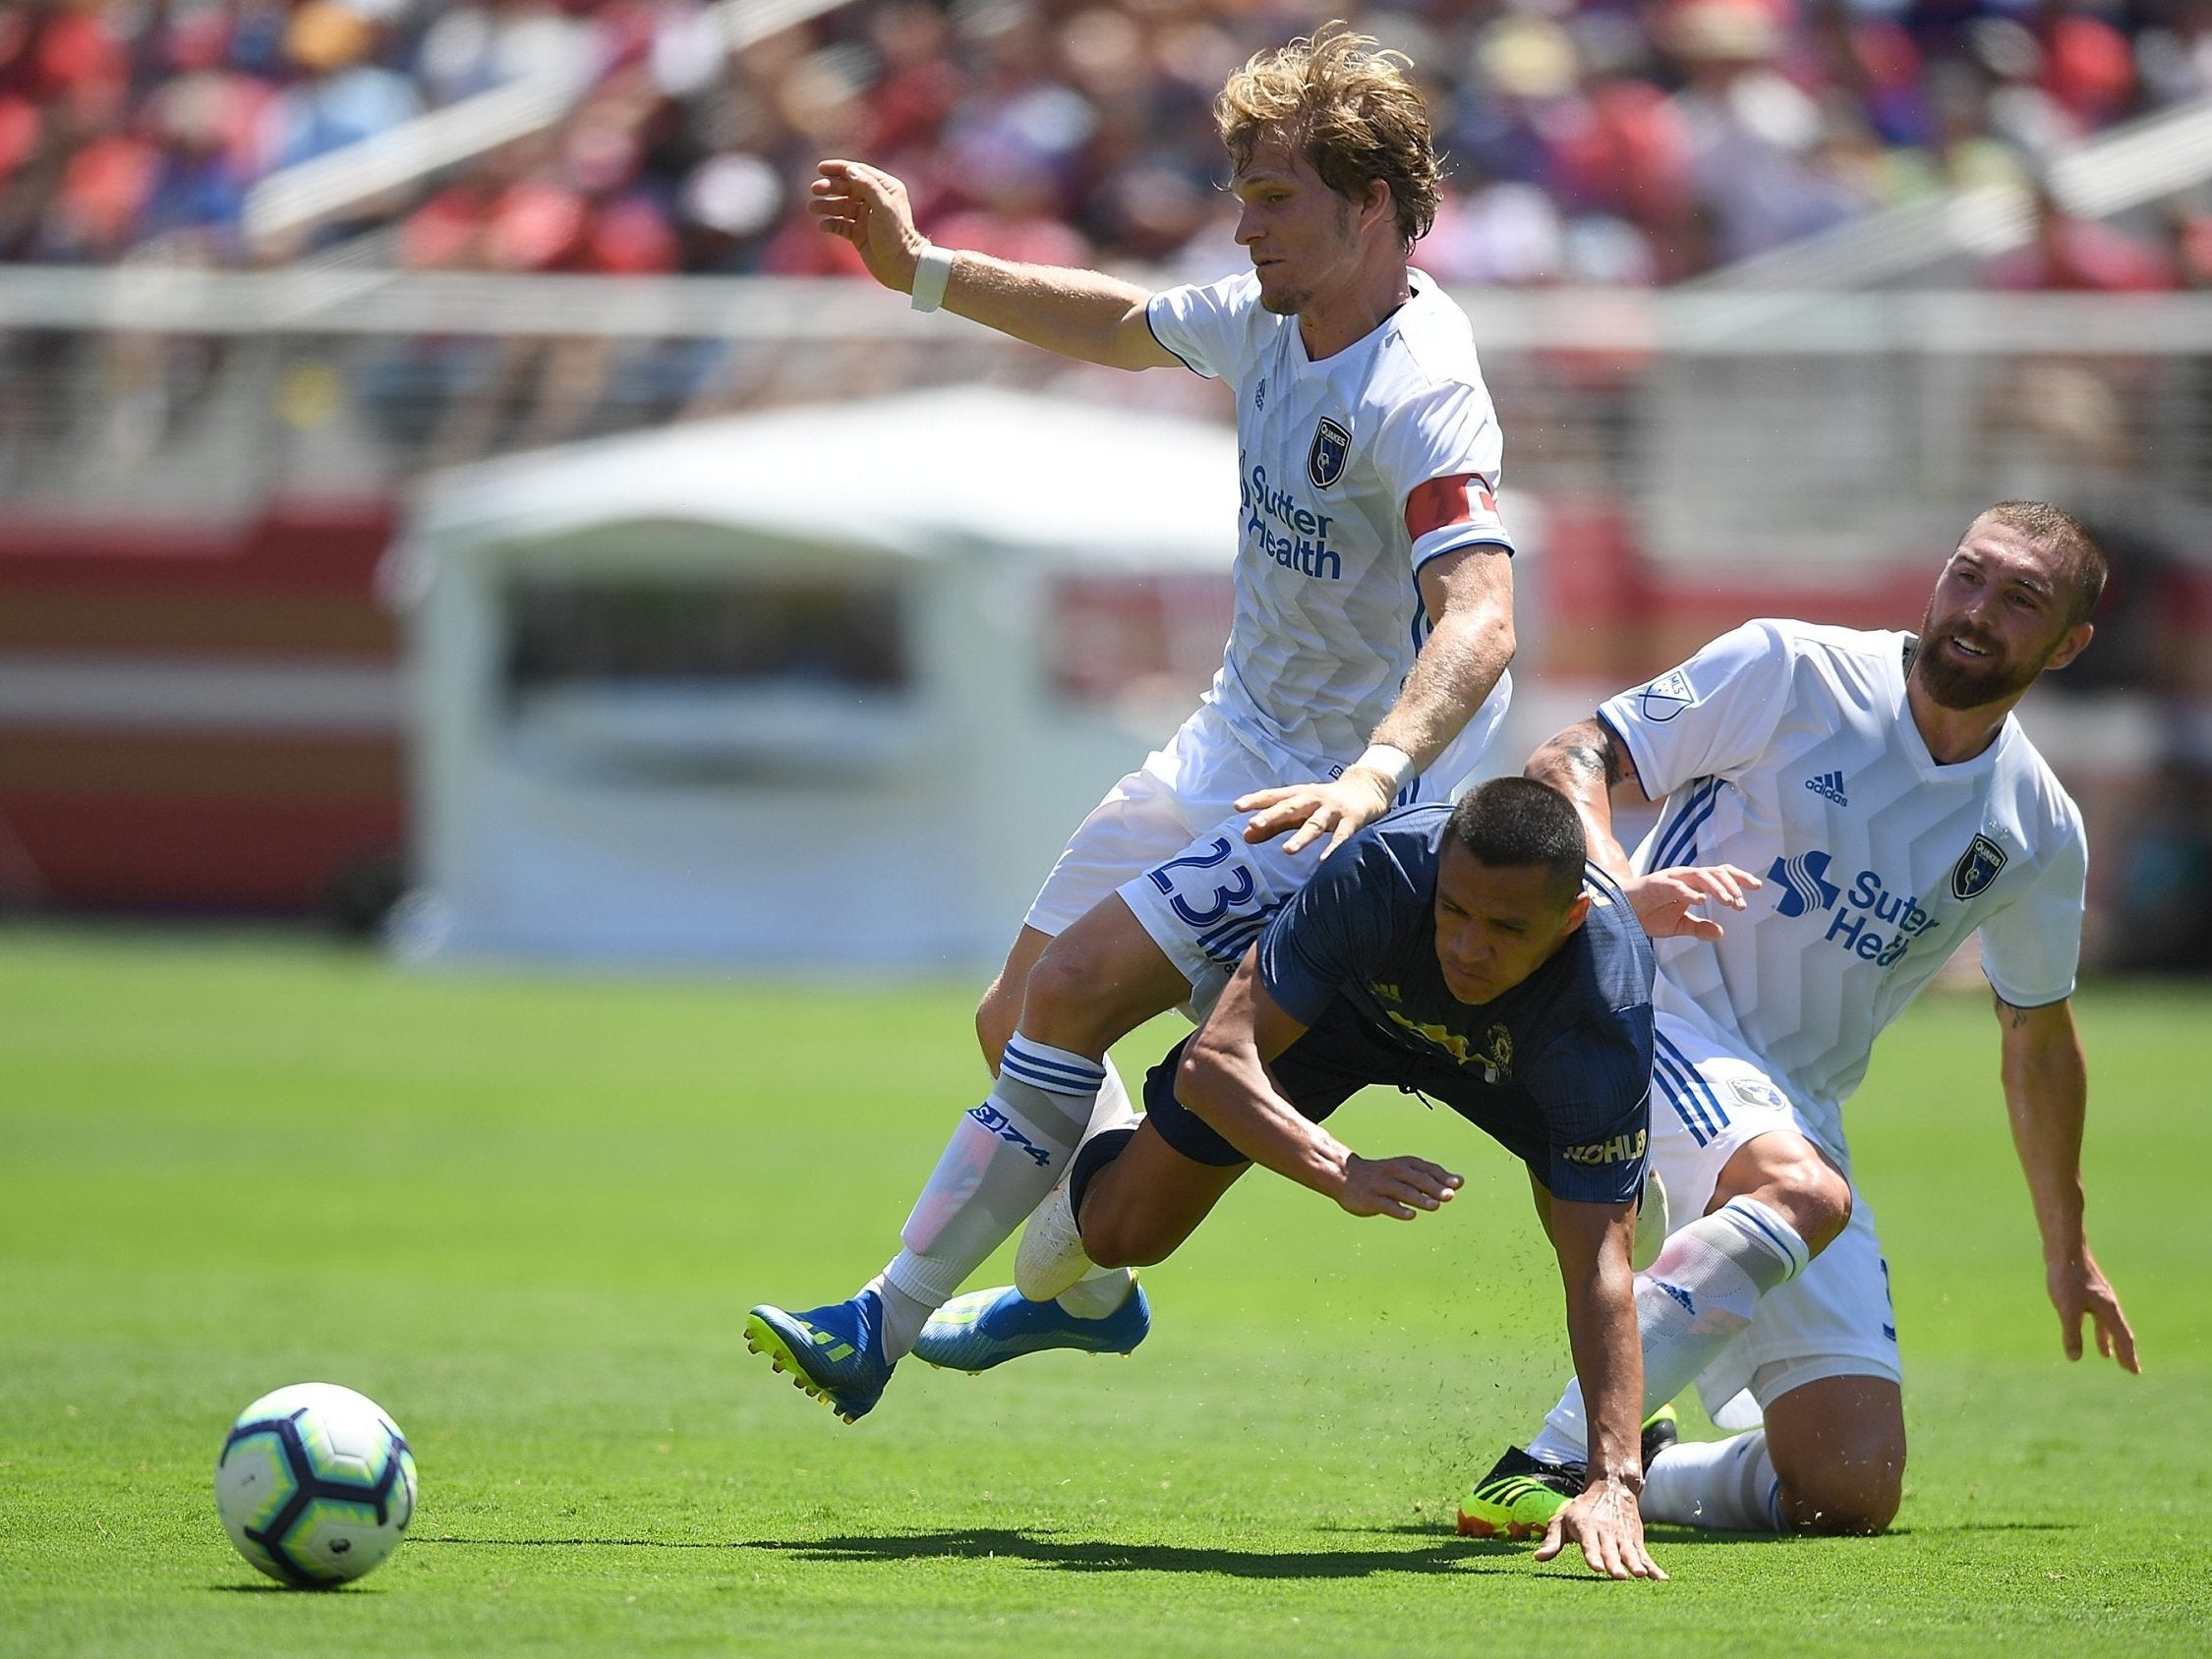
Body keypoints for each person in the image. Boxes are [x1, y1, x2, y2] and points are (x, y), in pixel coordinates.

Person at [746, 26, 1526, 1420]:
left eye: (1274, 198)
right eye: (1242, 195)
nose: (1244, 225)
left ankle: (885, 1318)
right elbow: (1109, 323)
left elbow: (1481, 616)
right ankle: (1084, 1286)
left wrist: (1378, 771)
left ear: (1372, 211)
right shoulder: (1269, 316)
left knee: (1069, 994)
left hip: (1337, 798)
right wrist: (920, 270)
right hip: (1234, 738)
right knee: (1014, 1020)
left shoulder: (1419, 388)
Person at [1455, 500, 2140, 1548]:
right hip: (1649, 1009)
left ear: (2068, 644)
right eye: (1967, 575)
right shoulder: (1794, 669)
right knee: (1801, 1186)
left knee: (1847, 1483)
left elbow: (2037, 1033)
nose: (1976, 610)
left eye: (2019, 599)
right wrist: (1625, 888)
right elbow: (1571, 756)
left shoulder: (2036, 825)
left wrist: (2070, 1243)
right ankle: (1552, 1464)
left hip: (1793, 1102)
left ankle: (1664, 1461)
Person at [931, 777, 1674, 1580]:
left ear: (1570, 919)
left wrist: (1613, 1480)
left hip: (1515, 1063)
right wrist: (1337, 1168)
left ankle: (1625, 1397)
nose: (1466, 946)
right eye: (1453, 911)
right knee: (1115, 1235)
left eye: (1506, 928)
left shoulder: (1604, 1006)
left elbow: (1598, 1265)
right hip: (1340, 1022)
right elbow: (1218, 1061)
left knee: (1611, 1233)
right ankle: (1100, 1175)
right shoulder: (1382, 871)